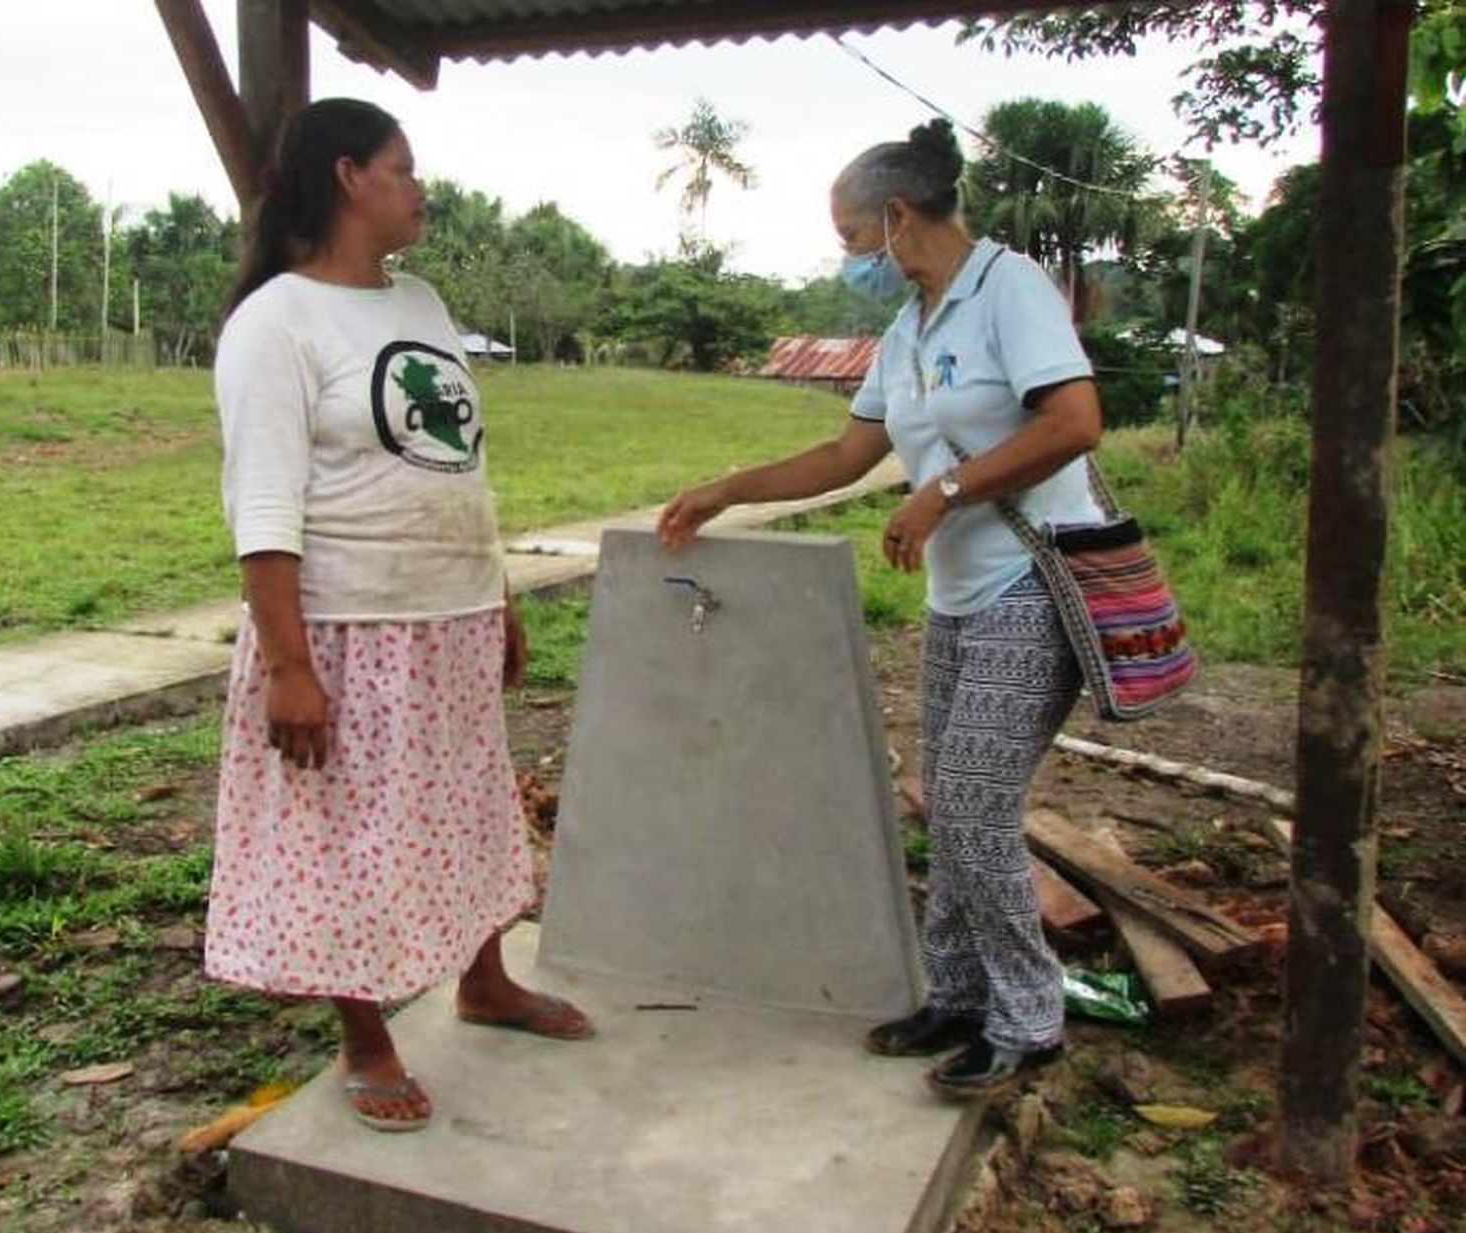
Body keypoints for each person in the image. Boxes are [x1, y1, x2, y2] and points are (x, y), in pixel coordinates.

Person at [658, 118, 1102, 1096]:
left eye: (853, 236)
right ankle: (957, 996)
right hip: (958, 597)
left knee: (974, 804)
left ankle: (1029, 1020)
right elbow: (846, 455)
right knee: (947, 799)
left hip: (1033, 583)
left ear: (898, 215)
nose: (851, 257)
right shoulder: (910, 326)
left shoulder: (1010, 289)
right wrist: (726, 490)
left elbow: (1075, 423)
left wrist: (945, 491)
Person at [205, 98, 592, 1134]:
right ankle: (366, 1039)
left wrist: (494, 592)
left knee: (464, 810)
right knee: (352, 836)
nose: (421, 189)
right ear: (348, 177)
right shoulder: (274, 324)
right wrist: (289, 665)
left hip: (449, 620)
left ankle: (484, 981)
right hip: (347, 634)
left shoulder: (418, 301)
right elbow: (263, 508)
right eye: (403, 168)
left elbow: (458, 467)